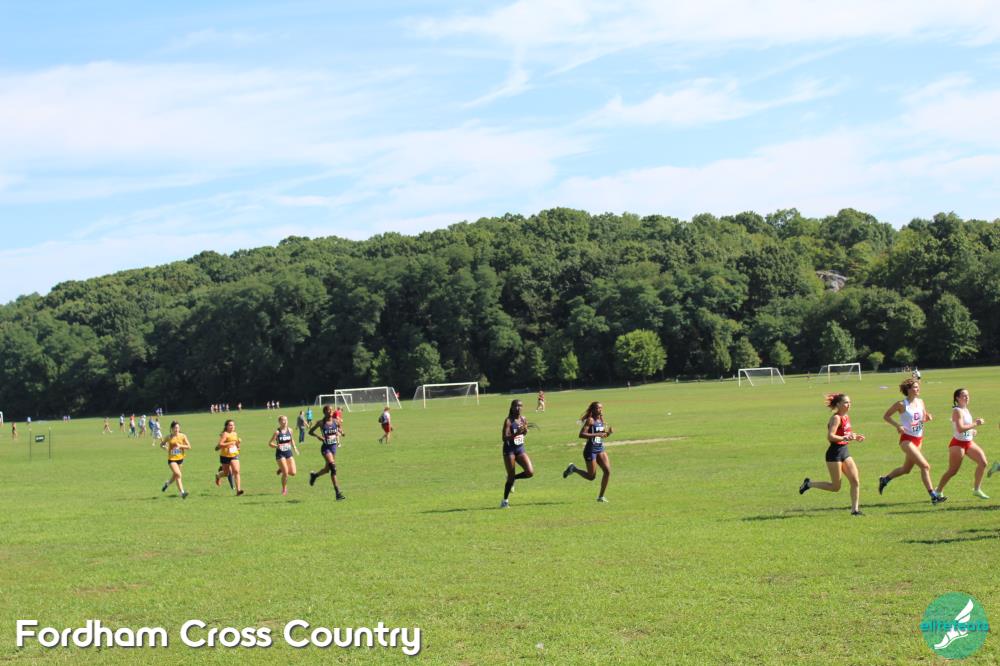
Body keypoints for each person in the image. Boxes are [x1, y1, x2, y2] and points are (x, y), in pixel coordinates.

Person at [878, 378, 945, 504]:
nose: (917, 388)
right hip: (907, 440)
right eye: (915, 387)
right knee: (925, 466)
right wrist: (898, 425)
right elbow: (886, 416)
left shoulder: (921, 402)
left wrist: (928, 417)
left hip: (918, 440)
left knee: (906, 469)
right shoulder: (901, 404)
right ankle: (934, 496)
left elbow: (923, 418)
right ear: (908, 390)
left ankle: (885, 479)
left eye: (918, 387)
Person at [799, 394, 866, 515]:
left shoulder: (846, 417)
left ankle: (855, 510)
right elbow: (830, 436)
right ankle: (809, 484)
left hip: (845, 451)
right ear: (838, 404)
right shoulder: (836, 418)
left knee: (855, 481)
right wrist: (845, 437)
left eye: (850, 402)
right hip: (834, 454)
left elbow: (846, 434)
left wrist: (855, 437)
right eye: (846, 402)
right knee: (836, 487)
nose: (849, 405)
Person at [935, 388, 990, 499]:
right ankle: (938, 491)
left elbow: (964, 427)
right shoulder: (957, 411)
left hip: (968, 442)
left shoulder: (965, 409)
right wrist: (975, 423)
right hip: (958, 444)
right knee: (952, 471)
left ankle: (977, 489)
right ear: (957, 398)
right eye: (964, 395)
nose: (967, 397)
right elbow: (960, 429)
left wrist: (972, 431)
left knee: (983, 463)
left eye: (968, 395)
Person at [562, 401, 614, 502]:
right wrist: (596, 435)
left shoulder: (601, 419)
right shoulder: (590, 420)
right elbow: (581, 434)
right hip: (590, 450)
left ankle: (601, 497)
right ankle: (574, 469)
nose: (600, 410)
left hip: (600, 449)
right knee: (591, 477)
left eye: (601, 408)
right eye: (598, 408)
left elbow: (602, 435)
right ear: (593, 410)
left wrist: (608, 433)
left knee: (607, 471)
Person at [500, 399, 534, 508]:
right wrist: (516, 433)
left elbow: (523, 434)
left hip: (520, 449)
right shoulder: (508, 421)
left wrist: (525, 432)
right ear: (512, 407)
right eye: (516, 406)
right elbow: (504, 438)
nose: (518, 408)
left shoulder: (523, 419)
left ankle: (514, 478)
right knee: (510, 476)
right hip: (509, 450)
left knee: (530, 472)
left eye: (520, 406)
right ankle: (505, 501)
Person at [308, 405, 346, 500]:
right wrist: (318, 436)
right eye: (329, 410)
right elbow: (310, 432)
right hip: (326, 448)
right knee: (333, 468)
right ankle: (338, 493)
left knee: (327, 469)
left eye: (332, 410)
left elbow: (339, 429)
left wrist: (341, 432)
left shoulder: (336, 421)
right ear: (324, 412)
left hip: (333, 448)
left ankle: (314, 475)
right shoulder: (321, 423)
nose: (331, 411)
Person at [269, 415, 300, 496]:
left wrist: (295, 448)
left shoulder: (290, 430)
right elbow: (270, 443)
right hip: (280, 454)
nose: (285, 421)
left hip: (288, 452)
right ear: (279, 422)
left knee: (293, 473)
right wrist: (277, 446)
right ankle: (284, 489)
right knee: (285, 473)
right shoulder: (277, 432)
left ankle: (281, 469)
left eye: (286, 420)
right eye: (283, 420)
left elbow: (291, 439)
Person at [160, 421, 190, 499]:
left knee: (175, 476)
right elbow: (161, 444)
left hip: (180, 459)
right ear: (172, 428)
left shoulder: (183, 436)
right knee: (178, 474)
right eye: (175, 428)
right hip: (172, 459)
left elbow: (189, 446)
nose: (177, 429)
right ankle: (182, 493)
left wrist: (180, 446)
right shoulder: (168, 437)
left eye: (178, 427)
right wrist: (165, 447)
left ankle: (167, 484)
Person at [214, 419, 244, 496]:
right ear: (226, 426)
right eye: (230, 425)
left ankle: (238, 490)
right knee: (226, 473)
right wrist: (230, 443)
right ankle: (218, 476)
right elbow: (220, 444)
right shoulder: (225, 434)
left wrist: (238, 445)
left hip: (234, 455)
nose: (232, 426)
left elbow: (235, 444)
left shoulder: (235, 433)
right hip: (225, 456)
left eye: (233, 425)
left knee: (236, 471)